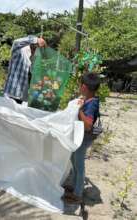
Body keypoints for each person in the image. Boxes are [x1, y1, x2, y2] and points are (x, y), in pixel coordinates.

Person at [64, 72, 101, 204]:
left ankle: (77, 194)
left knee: (79, 165)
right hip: (79, 137)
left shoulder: (92, 104)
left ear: (84, 87)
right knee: (73, 160)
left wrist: (78, 110)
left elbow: (88, 125)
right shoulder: (89, 100)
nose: (79, 87)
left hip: (83, 138)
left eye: (80, 85)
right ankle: (75, 186)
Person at [4, 35, 46, 104]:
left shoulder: (34, 58)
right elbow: (16, 42)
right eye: (37, 47)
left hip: (21, 97)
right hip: (11, 94)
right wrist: (36, 39)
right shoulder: (19, 51)